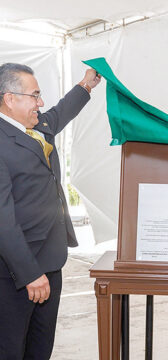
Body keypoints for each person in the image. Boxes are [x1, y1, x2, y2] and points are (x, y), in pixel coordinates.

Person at [0, 63, 101, 359]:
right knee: (11, 349)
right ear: (9, 98)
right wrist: (30, 274)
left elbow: (59, 113)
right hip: (17, 271)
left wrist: (85, 86)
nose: (40, 103)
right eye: (34, 95)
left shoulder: (36, 127)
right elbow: (3, 220)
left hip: (50, 261)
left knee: (40, 347)